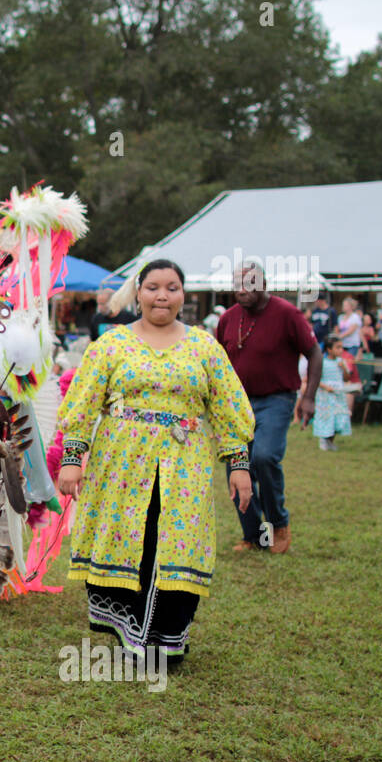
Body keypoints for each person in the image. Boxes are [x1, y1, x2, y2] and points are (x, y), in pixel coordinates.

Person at [57, 260, 253, 663]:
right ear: (139, 292)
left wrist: (239, 466)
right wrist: (72, 459)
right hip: (122, 463)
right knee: (136, 538)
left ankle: (168, 639)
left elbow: (229, 409)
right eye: (152, 287)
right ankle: (133, 636)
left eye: (172, 287)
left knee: (176, 544)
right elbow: (83, 404)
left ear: (184, 294)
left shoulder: (203, 347)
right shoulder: (111, 345)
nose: (162, 295)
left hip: (185, 464)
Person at [216, 264, 321, 554]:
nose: (242, 289)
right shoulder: (227, 319)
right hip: (237, 405)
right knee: (236, 466)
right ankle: (253, 535)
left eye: (249, 283)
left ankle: (278, 523)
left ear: (265, 283)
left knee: (263, 457)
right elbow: (217, 365)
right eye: (237, 283)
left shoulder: (287, 314)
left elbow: (314, 352)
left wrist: (309, 396)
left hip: (276, 399)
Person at [313, 336, 353, 451]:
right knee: (327, 417)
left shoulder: (341, 362)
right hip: (326, 396)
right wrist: (326, 387)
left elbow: (346, 378)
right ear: (329, 349)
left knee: (338, 417)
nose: (341, 350)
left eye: (342, 347)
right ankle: (323, 439)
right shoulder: (322, 362)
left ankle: (331, 441)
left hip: (338, 394)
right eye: (338, 347)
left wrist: (344, 368)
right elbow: (316, 379)